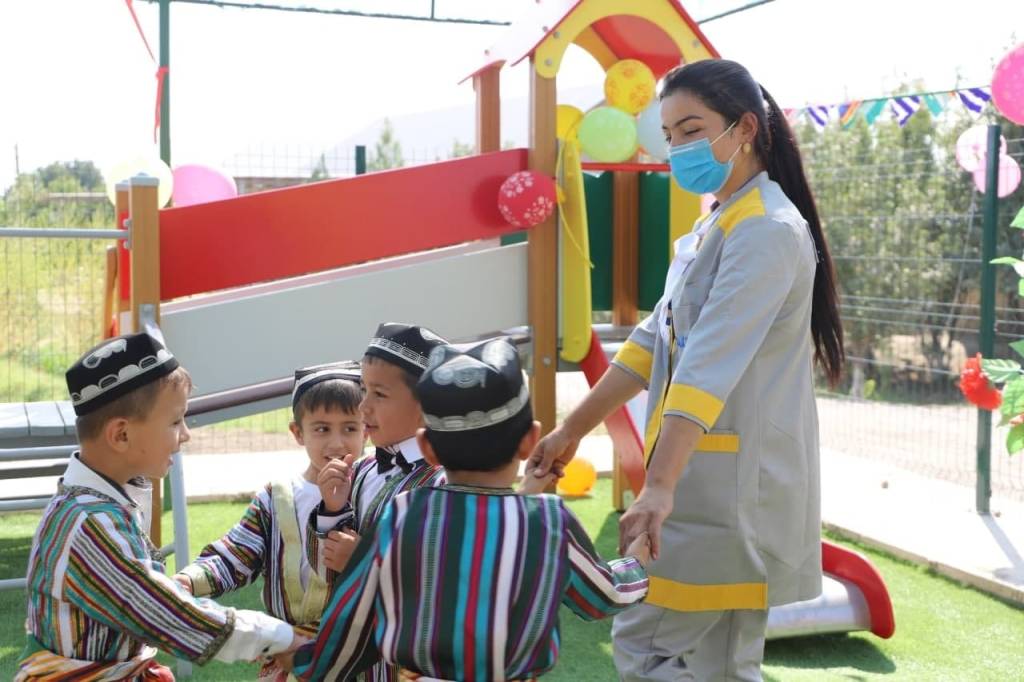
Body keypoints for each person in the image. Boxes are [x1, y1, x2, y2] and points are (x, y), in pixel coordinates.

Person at [528, 58, 845, 681]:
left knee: (648, 650)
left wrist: (660, 485)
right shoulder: (719, 223)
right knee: (720, 665)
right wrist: (572, 430)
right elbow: (652, 343)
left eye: (692, 130)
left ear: (745, 128)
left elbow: (706, 366)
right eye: (670, 135)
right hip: (712, 481)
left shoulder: (765, 231)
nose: (677, 148)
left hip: (726, 489)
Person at [286, 338, 651, 681]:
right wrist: (636, 563)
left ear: (428, 448)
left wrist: (306, 662)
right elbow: (603, 597)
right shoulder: (551, 521)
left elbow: (354, 620)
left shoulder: (401, 514)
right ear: (529, 440)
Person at [18, 331, 304, 680]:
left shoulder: (100, 501)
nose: (186, 434)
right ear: (121, 435)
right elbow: (167, 614)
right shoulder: (88, 523)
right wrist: (280, 637)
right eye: (174, 421)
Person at [174, 361, 365, 680]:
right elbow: (235, 555)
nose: (336, 443)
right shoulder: (277, 498)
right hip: (288, 655)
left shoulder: (372, 491)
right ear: (297, 433)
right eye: (322, 429)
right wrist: (189, 580)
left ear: (366, 429)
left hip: (354, 655)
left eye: (350, 428)